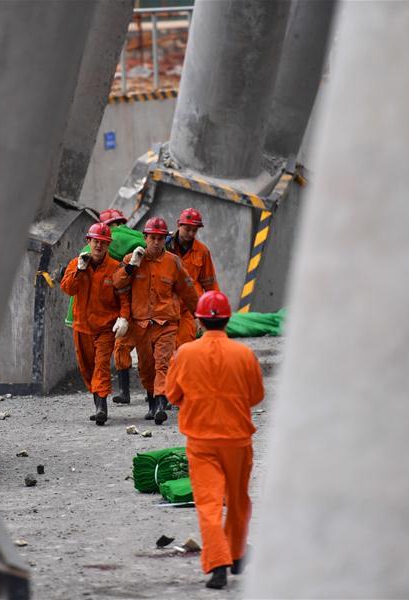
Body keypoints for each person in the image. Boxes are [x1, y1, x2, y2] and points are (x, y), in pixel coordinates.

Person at [165, 291, 264, 589]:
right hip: (237, 439)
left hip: (201, 440)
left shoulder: (185, 353)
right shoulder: (244, 355)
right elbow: (256, 396)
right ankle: (235, 555)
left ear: (198, 320)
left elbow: (172, 394)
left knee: (208, 504)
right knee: (237, 501)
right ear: (228, 319)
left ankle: (219, 563)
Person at [113, 216, 198, 425]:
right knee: (146, 366)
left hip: (166, 323)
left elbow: (188, 290)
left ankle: (161, 403)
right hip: (140, 324)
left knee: (162, 364)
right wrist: (131, 266)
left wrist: (201, 314)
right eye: (153, 238)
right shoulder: (132, 259)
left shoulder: (173, 262)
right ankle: (152, 402)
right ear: (145, 237)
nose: (157, 242)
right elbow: (117, 282)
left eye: (161, 238)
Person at [60, 223, 130, 425]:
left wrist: (123, 317)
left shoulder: (115, 267)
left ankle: (102, 408)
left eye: (103, 243)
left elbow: (123, 297)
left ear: (108, 245)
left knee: (101, 366)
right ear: (89, 242)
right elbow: (68, 289)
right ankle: (97, 401)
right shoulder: (77, 263)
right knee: (87, 368)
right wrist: (80, 271)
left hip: (105, 328)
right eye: (96, 241)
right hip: (82, 327)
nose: (99, 246)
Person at [166, 207, 220, 347]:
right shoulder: (164, 246)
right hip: (165, 308)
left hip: (188, 310)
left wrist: (213, 314)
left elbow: (210, 284)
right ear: (179, 224)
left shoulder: (202, 252)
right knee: (163, 350)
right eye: (187, 229)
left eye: (194, 230)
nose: (190, 234)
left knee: (185, 347)